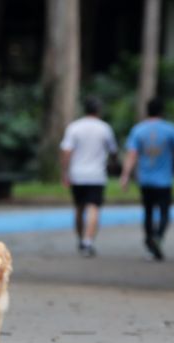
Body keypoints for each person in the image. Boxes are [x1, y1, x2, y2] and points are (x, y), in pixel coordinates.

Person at [120, 98, 174, 261]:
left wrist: (125, 175)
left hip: (146, 180)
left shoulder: (138, 130)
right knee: (164, 212)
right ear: (162, 111)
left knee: (148, 212)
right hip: (164, 181)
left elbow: (132, 154)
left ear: (147, 111)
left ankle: (150, 241)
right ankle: (158, 237)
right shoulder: (170, 130)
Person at [60, 97, 118, 257]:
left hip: (77, 174)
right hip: (96, 175)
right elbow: (113, 151)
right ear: (98, 110)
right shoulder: (104, 128)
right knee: (93, 208)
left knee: (79, 208)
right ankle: (88, 241)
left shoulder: (74, 127)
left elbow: (66, 151)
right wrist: (114, 164)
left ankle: (80, 238)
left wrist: (64, 172)